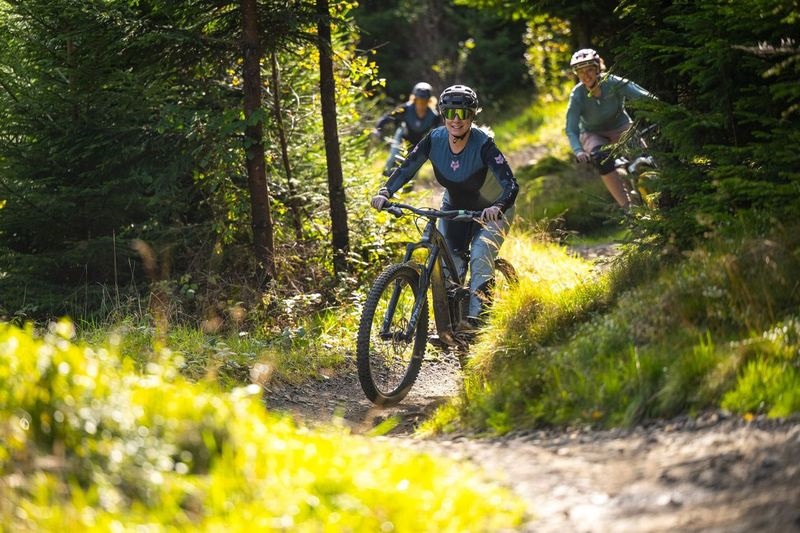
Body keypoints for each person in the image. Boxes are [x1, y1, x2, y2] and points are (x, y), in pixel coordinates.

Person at [370, 85, 519, 328]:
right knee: (452, 263)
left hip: (492, 210)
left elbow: (511, 184)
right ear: (442, 113)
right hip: (455, 208)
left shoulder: (484, 145)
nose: (456, 120)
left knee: (481, 253)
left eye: (463, 113)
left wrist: (499, 206)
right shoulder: (434, 139)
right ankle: (451, 325)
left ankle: (478, 323)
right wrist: (386, 191)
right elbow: (408, 166)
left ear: (472, 116)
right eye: (450, 113)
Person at [565, 48, 655, 208]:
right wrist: (578, 150)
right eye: (580, 72)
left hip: (620, 125)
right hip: (593, 133)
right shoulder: (577, 95)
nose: (586, 76)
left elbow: (641, 95)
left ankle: (657, 192)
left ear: (598, 68)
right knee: (601, 159)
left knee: (642, 154)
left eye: (590, 70)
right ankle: (627, 208)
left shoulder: (613, 82)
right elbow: (571, 128)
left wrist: (661, 108)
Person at [374, 82, 441, 176]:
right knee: (393, 158)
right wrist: (378, 128)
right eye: (419, 101)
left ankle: (408, 188)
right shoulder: (405, 108)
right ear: (414, 99)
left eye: (424, 101)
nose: (421, 104)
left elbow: (440, 132)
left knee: (415, 166)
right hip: (402, 137)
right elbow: (388, 117)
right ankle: (384, 180)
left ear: (429, 101)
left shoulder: (434, 116)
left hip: (419, 142)